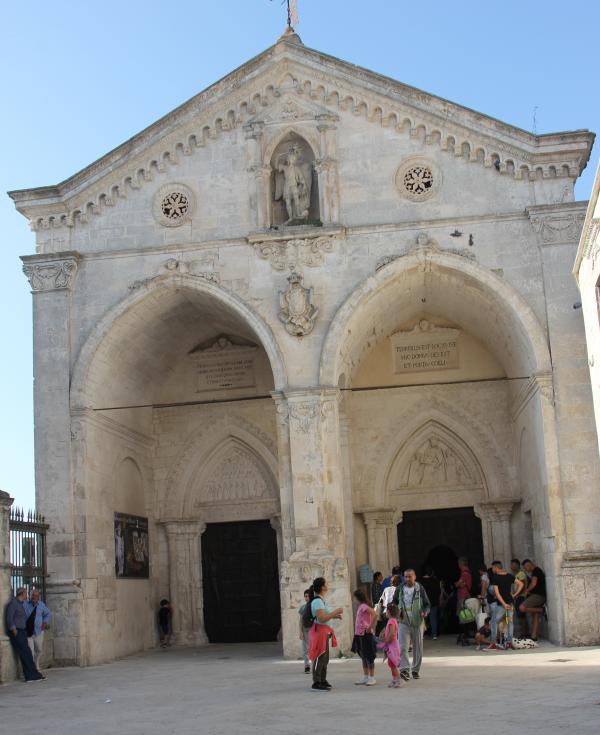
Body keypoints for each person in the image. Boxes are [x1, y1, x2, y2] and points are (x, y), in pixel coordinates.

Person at [393, 569, 430, 680]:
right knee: (403, 646)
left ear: (415, 577)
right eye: (405, 577)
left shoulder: (420, 589)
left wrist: (425, 611)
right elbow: (394, 601)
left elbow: (427, 604)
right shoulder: (400, 588)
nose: (407, 579)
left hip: (417, 621)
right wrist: (394, 612)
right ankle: (404, 670)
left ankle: (415, 670)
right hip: (403, 621)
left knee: (418, 647)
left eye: (409, 576)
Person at [307, 577, 343, 691]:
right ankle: (317, 682)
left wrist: (334, 615)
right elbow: (322, 618)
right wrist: (335, 612)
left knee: (324, 657)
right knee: (320, 656)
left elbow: (323, 617)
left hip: (322, 632)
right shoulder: (317, 601)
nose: (327, 585)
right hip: (319, 632)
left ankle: (322, 679)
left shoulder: (320, 600)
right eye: (326, 583)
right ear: (322, 587)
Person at [5, 587, 45, 682]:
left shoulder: (21, 604)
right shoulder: (13, 604)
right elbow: (9, 618)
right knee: (25, 654)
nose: (27, 595)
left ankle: (34, 674)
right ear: (22, 593)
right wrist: (13, 629)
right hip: (17, 632)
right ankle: (30, 676)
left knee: (27, 654)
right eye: (26, 593)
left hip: (23, 632)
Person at [485, 560, 523, 651]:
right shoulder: (509, 576)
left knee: (493, 622)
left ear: (496, 568)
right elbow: (521, 584)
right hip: (510, 602)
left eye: (493, 568)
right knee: (510, 623)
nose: (492, 570)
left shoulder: (495, 578)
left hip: (501, 604)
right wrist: (514, 595)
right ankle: (509, 644)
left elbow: (497, 594)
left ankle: (493, 644)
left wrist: (503, 604)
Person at [351, 589, 378, 686]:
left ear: (358, 598)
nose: (354, 600)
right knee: (363, 656)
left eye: (354, 598)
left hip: (366, 634)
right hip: (359, 635)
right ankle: (366, 676)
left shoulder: (363, 606)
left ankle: (372, 677)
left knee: (369, 656)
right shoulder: (361, 607)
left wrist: (370, 627)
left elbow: (375, 614)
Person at [23, 589, 51, 669]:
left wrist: (45, 622)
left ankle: (36, 662)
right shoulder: (24, 604)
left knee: (39, 649)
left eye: (36, 596)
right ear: (29, 596)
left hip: (39, 632)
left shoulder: (41, 605)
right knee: (30, 651)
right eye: (33, 595)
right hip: (28, 632)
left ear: (39, 597)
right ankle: (32, 668)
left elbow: (48, 614)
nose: (34, 597)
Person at [519, 559, 547, 641]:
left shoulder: (536, 571)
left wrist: (527, 591)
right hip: (538, 596)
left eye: (525, 568)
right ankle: (534, 636)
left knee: (522, 607)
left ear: (529, 565)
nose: (525, 570)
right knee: (535, 615)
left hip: (538, 596)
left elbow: (534, 583)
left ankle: (542, 610)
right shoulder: (536, 571)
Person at [379, 603, 403, 688]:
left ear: (389, 612)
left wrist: (386, 640)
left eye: (386, 611)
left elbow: (392, 633)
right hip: (391, 645)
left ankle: (398, 680)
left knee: (392, 664)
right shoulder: (392, 620)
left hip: (392, 645)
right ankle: (394, 679)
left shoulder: (392, 621)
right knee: (391, 663)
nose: (385, 612)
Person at [455, 557, 473, 645]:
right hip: (466, 595)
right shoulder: (467, 572)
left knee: (462, 617)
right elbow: (460, 584)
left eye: (459, 563)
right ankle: (465, 635)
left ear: (461, 563)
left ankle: (464, 636)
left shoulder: (464, 573)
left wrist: (458, 584)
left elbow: (458, 584)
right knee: (466, 616)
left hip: (463, 596)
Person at [421, 567, 441, 640]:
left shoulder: (420, 582)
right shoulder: (435, 581)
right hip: (433, 602)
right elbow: (439, 592)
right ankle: (434, 634)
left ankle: (422, 634)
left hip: (423, 603)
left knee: (423, 619)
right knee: (433, 618)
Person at [510, 559, 528, 636]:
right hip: (518, 597)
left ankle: (524, 633)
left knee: (522, 616)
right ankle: (523, 633)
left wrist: (516, 595)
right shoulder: (516, 574)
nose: (511, 566)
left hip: (521, 597)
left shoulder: (521, 574)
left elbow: (522, 586)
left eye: (513, 565)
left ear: (517, 565)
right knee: (520, 616)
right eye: (511, 565)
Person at [298, 588, 312, 673]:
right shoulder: (303, 608)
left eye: (308, 596)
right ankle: (307, 665)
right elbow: (300, 620)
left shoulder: (313, 606)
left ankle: (315, 665)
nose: (306, 598)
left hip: (313, 630)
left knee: (313, 648)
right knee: (305, 649)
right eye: (305, 596)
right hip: (305, 630)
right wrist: (300, 632)